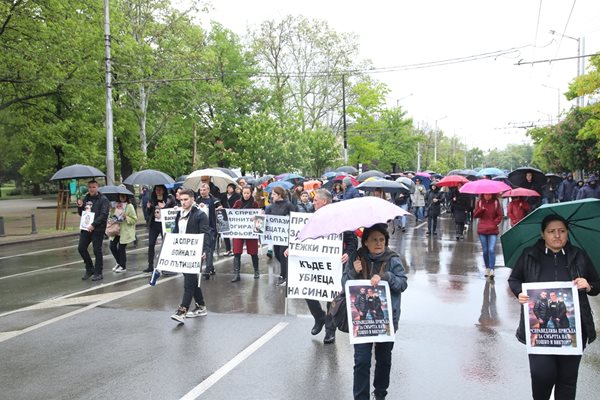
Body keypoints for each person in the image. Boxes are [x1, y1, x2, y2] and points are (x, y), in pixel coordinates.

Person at [508, 214, 600, 400]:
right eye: (551, 231)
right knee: (542, 375)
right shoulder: (529, 255)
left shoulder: (579, 256)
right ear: (543, 234)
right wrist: (520, 293)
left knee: (567, 380)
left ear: (567, 233)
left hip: (573, 331)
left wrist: (588, 285)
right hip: (540, 335)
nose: (557, 235)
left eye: (562, 231)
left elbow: (596, 284)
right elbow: (514, 279)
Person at [343, 224, 408, 400]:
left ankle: (380, 393)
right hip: (362, 323)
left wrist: (386, 277)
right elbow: (345, 284)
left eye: (382, 239)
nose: (379, 243)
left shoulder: (393, 259)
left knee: (384, 360)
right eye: (374, 239)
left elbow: (402, 284)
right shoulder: (357, 257)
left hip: (386, 322)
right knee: (362, 361)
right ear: (365, 242)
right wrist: (353, 272)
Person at [302, 189, 357, 344]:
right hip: (314, 262)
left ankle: (329, 330)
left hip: (334, 263)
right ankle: (319, 317)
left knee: (331, 296)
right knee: (306, 290)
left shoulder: (340, 218)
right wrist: (291, 247)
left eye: (316, 201)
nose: (313, 203)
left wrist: (348, 252)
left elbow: (352, 240)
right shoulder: (310, 218)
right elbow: (300, 236)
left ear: (324, 202)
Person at [170, 188, 211, 323]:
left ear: (193, 199)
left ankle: (182, 310)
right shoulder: (179, 214)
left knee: (189, 282)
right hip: (182, 251)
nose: (183, 202)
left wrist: (204, 250)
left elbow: (205, 233)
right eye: (181, 200)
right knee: (192, 279)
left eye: (186, 199)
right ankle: (201, 306)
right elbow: (176, 231)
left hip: (195, 252)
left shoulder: (200, 215)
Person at [77, 180, 110, 281]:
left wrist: (94, 224)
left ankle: (98, 272)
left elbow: (104, 215)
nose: (91, 189)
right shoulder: (86, 198)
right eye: (90, 187)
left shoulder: (103, 199)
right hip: (86, 228)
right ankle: (89, 268)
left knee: (97, 250)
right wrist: (80, 206)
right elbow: (82, 213)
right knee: (81, 248)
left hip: (98, 229)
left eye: (93, 187)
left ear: (97, 187)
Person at [265, 186, 297, 286]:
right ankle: (288, 272)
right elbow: (266, 218)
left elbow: (295, 217)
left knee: (283, 255)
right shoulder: (271, 206)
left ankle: (283, 276)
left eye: (274, 194)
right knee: (278, 255)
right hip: (276, 236)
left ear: (279, 195)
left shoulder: (288, 205)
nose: (272, 196)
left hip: (286, 236)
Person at [231, 186, 261, 282]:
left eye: (248, 193)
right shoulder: (238, 203)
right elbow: (232, 214)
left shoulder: (255, 204)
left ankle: (256, 271)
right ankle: (236, 274)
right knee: (237, 251)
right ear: (242, 193)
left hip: (251, 231)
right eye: (244, 193)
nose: (246, 195)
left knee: (253, 252)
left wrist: (256, 217)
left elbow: (259, 218)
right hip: (239, 231)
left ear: (251, 193)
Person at [144, 185, 175, 273]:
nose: (158, 191)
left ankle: (168, 265)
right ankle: (150, 265)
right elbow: (148, 213)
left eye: (160, 190)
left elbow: (173, 210)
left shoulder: (169, 198)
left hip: (165, 224)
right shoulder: (152, 199)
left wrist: (164, 207)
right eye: (156, 190)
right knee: (151, 244)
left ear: (163, 191)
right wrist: (149, 208)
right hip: (154, 224)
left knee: (166, 245)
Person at [473, 193, 503, 278]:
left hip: (492, 229)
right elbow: (475, 215)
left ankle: (492, 269)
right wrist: (481, 210)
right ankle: (487, 268)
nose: (488, 196)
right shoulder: (480, 202)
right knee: (485, 250)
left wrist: (494, 223)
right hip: (482, 229)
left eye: (489, 194)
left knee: (491, 249)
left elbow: (500, 215)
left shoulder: (496, 202)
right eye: (486, 194)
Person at [196, 182, 222, 279]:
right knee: (201, 249)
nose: (202, 192)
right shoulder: (197, 200)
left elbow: (221, 209)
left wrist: (218, 209)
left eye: (204, 190)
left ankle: (207, 270)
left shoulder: (214, 200)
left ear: (208, 190)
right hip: (200, 228)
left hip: (211, 228)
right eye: (201, 190)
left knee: (209, 249)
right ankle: (209, 268)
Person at [108, 193, 137, 273]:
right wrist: (111, 212)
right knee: (112, 246)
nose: (122, 197)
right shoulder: (115, 205)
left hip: (125, 231)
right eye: (121, 195)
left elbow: (134, 219)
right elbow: (111, 217)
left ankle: (123, 266)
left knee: (121, 248)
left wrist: (126, 217)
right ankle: (119, 262)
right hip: (116, 229)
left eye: (124, 195)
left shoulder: (129, 206)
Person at [220, 183, 240, 256]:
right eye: (228, 187)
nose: (229, 189)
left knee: (234, 232)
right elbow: (220, 203)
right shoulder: (223, 196)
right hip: (225, 215)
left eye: (230, 188)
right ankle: (228, 249)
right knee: (226, 232)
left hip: (234, 216)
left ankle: (235, 249)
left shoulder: (237, 196)